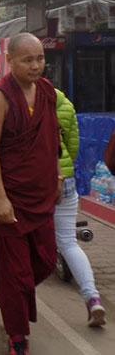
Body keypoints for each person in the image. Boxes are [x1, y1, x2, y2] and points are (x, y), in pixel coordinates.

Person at [0, 33, 62, 355]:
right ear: (10, 60)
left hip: (41, 194)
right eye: (28, 60)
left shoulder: (46, 92)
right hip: (10, 196)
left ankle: (11, 301)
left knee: (45, 260)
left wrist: (55, 172)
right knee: (16, 273)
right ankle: (17, 337)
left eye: (40, 58)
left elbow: (51, 134)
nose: (35, 65)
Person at [54, 89, 106, 327]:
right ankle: (92, 297)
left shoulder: (27, 102)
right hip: (66, 179)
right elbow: (73, 145)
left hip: (39, 184)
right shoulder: (64, 102)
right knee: (69, 243)